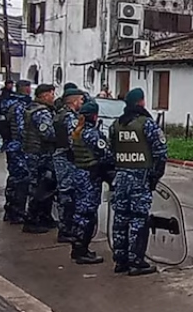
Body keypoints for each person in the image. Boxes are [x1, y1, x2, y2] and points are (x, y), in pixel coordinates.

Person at [109, 87, 168, 276]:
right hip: (139, 179)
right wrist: (154, 177)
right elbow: (161, 153)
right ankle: (136, 261)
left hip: (120, 179)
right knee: (138, 220)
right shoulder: (146, 124)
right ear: (141, 102)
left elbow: (111, 154)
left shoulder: (116, 124)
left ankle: (121, 261)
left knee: (120, 219)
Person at [70, 99, 114, 265]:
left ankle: (77, 248)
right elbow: (105, 155)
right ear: (94, 116)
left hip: (79, 174)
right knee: (87, 214)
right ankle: (82, 251)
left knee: (79, 212)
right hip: (90, 177)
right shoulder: (92, 134)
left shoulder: (76, 132)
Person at [21, 84, 58, 234]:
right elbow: (48, 134)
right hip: (39, 154)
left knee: (45, 187)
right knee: (39, 188)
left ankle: (44, 217)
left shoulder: (31, 108)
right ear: (44, 96)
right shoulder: (41, 112)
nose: (53, 97)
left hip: (34, 152)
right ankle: (32, 220)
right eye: (51, 94)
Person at [53, 87, 85, 243]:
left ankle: (65, 228)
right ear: (74, 101)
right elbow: (74, 140)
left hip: (60, 156)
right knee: (67, 195)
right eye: (80, 100)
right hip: (66, 158)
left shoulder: (60, 114)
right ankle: (65, 230)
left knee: (65, 194)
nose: (82, 103)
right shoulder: (70, 117)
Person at [0, 80, 32, 224]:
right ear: (25, 89)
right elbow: (20, 129)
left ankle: (11, 210)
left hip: (12, 146)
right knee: (20, 180)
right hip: (18, 147)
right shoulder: (19, 106)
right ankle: (16, 212)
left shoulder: (9, 103)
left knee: (14, 179)